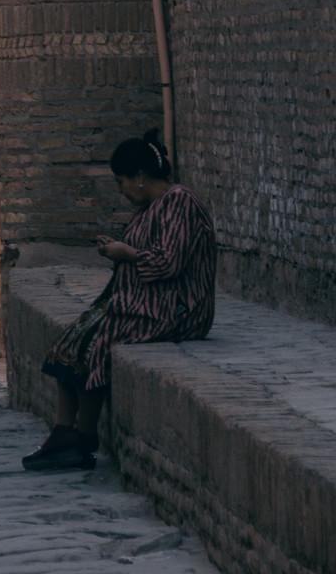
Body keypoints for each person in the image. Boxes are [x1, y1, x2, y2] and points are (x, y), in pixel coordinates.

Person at [22, 131, 216, 473]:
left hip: (178, 307)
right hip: (144, 300)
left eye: (123, 181)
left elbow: (167, 263)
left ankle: (85, 436)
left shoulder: (179, 202)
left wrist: (126, 254)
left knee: (101, 341)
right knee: (73, 340)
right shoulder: (148, 209)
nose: (122, 190)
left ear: (140, 177)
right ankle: (64, 433)